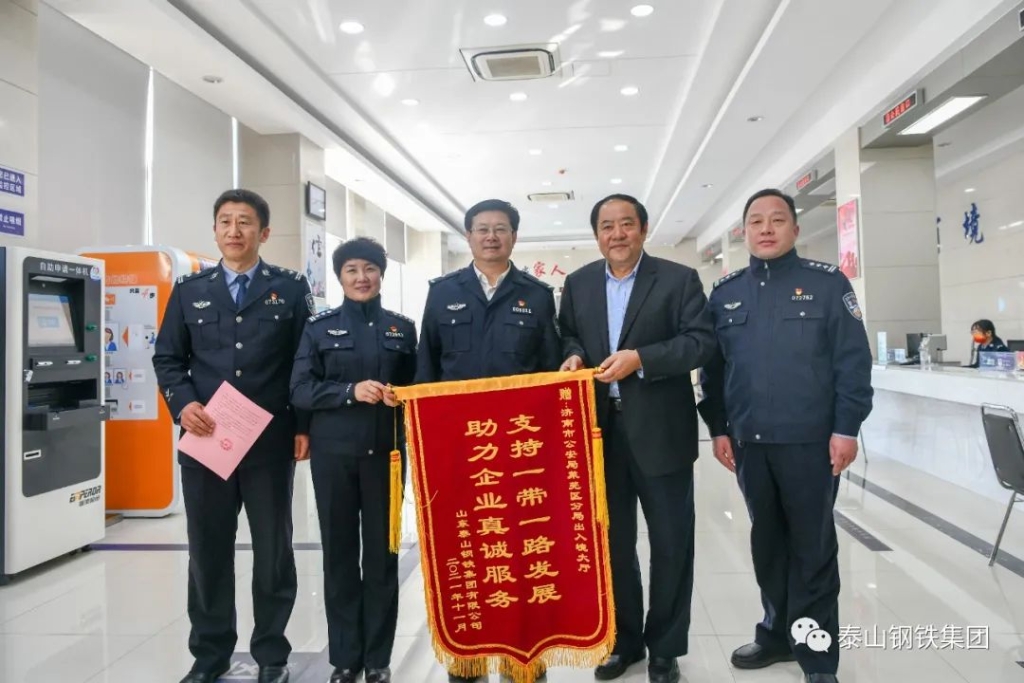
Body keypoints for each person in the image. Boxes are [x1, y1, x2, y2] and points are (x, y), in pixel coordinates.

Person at [699, 188, 873, 683]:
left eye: (777, 219)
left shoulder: (827, 284)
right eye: (756, 221)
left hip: (810, 443)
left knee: (812, 548)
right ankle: (777, 634)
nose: (766, 228)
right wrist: (718, 428)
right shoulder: (726, 293)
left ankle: (817, 656)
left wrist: (846, 428)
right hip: (750, 443)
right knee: (768, 543)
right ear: (744, 232)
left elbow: (852, 362)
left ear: (795, 228)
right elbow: (713, 372)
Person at [153, 189, 313, 683]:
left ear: (264, 232)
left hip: (269, 442)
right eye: (225, 221)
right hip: (207, 441)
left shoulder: (289, 289)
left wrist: (303, 425)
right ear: (215, 230)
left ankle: (272, 655)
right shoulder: (189, 289)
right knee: (207, 550)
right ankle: (210, 654)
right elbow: (168, 359)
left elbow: (305, 361)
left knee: (273, 552)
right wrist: (184, 405)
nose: (234, 231)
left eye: (245, 222)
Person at [558, 193, 716, 683]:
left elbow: (701, 342)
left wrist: (642, 359)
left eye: (627, 224)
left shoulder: (678, 279)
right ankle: (624, 641)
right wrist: (573, 355)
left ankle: (665, 648)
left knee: (671, 543)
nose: (617, 234)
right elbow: (568, 334)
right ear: (596, 235)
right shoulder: (579, 283)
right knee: (612, 544)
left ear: (643, 229)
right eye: (607, 226)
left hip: (662, 432)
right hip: (598, 434)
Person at [416, 198, 561, 683]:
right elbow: (426, 368)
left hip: (519, 454)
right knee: (464, 551)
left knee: (523, 554)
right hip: (458, 450)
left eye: (501, 229)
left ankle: (524, 658)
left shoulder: (537, 296)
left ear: (514, 237)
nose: (492, 237)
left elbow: (550, 369)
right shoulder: (442, 293)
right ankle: (468, 657)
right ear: (469, 236)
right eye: (482, 229)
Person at [290, 238, 417, 683]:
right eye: (352, 270)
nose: (362, 278)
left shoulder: (402, 329)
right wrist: (349, 391)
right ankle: (345, 658)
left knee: (383, 558)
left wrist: (402, 396)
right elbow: (300, 389)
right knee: (340, 556)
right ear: (340, 277)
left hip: (387, 458)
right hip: (334, 458)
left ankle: (378, 658)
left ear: (381, 274)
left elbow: (419, 388)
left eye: (370, 269)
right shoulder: (318, 328)